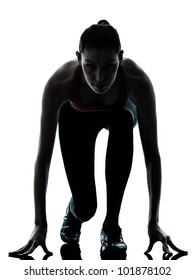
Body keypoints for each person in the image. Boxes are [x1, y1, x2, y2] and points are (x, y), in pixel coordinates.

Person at [9, 20, 187, 258]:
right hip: (77, 119)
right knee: (86, 208)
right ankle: (75, 213)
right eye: (90, 66)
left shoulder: (137, 81)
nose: (100, 77)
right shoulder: (59, 83)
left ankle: (112, 227)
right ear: (78, 58)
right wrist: (40, 223)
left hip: (119, 117)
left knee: (123, 119)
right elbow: (43, 159)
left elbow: (152, 156)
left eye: (110, 66)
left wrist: (153, 222)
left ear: (121, 58)